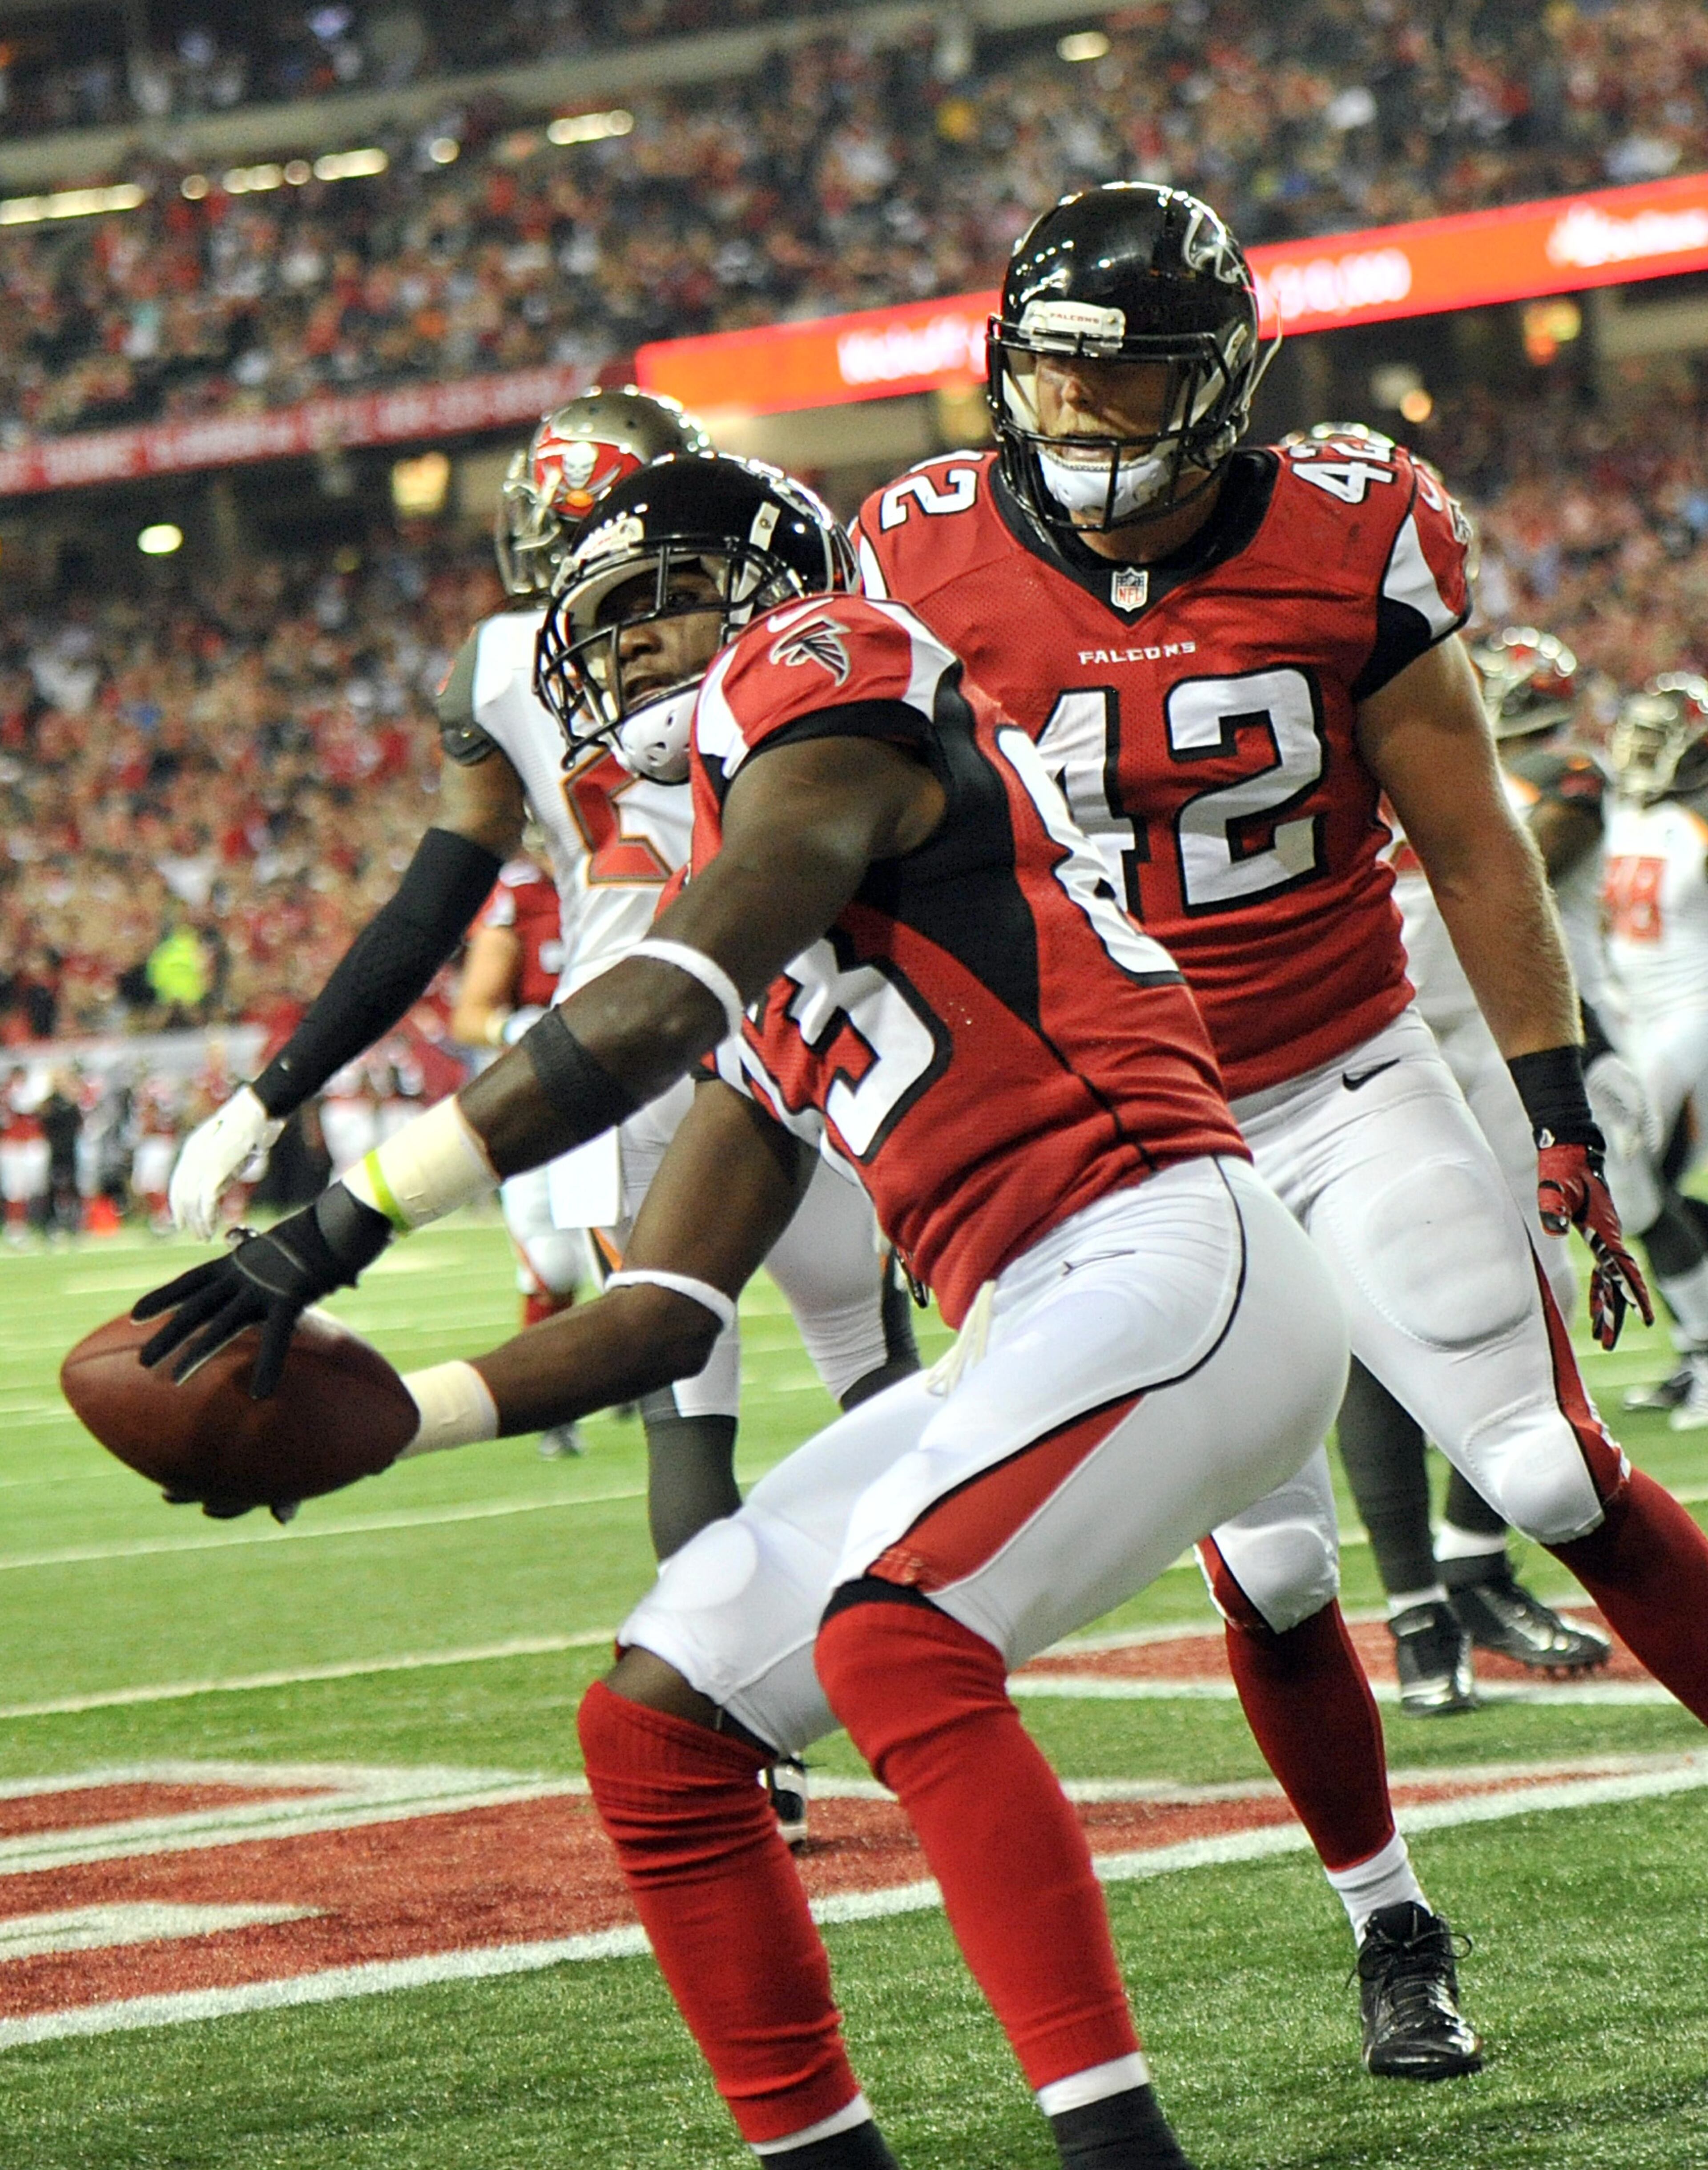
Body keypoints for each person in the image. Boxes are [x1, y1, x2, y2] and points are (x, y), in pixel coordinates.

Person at [135, 451, 1355, 2170]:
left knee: (895, 1637)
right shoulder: (753, 886)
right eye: (602, 619)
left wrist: (343, 1217)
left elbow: (650, 1006)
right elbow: (656, 1308)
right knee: (656, 1722)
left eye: (663, 600)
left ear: (780, 582)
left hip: (1174, 1248)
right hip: (1046, 1312)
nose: (628, 648)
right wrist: (393, 1414)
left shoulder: (839, 677)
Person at [852, 184, 1708, 1813]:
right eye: (1054, 375)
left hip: (1340, 1072)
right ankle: (1386, 1919)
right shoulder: (913, 550)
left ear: (1225, 379)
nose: (1082, 415)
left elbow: (1469, 837)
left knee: (1541, 1462)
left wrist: (1552, 1095)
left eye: (1129, 380)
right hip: (1127, 1139)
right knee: (1276, 1567)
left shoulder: (1349, 522)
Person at [165, 389, 916, 1582]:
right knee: (872, 1369)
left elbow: (432, 905)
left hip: (617, 1059)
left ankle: (731, 1727)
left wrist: (275, 1091)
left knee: (678, 1387)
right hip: (806, 1015)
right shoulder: (812, 627)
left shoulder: (507, 664)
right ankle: (948, 1660)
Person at [1339, 621, 1615, 1706]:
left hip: (1446, 1018)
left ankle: (1457, 1573)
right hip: (1369, 1017)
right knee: (1383, 1306)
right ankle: (1429, 1598)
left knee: (1512, 1297)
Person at [451, 847, 591, 1456]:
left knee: (647, 1248)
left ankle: (651, 1380)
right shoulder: (524, 892)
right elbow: (471, 1014)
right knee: (554, 1263)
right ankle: (555, 1405)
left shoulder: (636, 858)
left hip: (636, 1086)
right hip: (543, 1094)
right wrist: (522, 1030)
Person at [1603, 672, 1708, 1425]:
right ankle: (1692, 1347)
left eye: (1656, 740)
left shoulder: (1700, 821)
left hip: (1693, 1012)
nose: (1640, 752)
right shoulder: (1620, 813)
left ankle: (1705, 1350)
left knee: (1629, 1174)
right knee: (1653, 1189)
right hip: (1636, 1013)